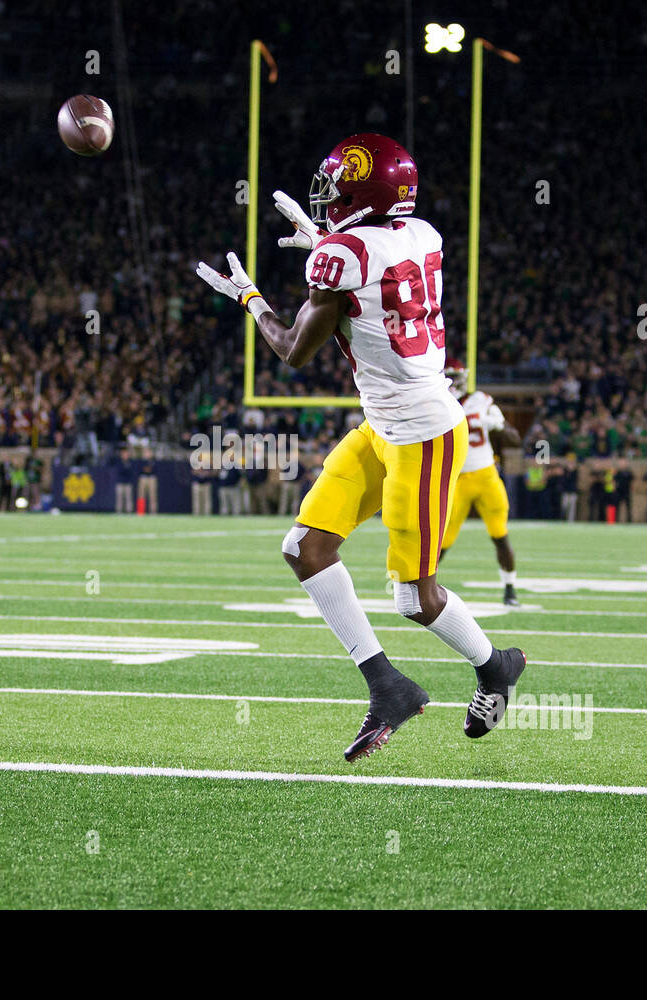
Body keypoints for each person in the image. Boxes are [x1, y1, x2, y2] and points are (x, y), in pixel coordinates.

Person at [196, 132, 524, 762]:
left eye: (337, 187)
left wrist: (249, 298)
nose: (326, 198)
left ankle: (496, 666)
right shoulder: (422, 233)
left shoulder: (342, 255)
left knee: (414, 598)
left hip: (425, 435)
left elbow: (293, 348)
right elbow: (373, 275)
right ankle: (387, 687)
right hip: (384, 426)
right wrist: (328, 244)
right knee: (305, 547)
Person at [436, 362, 522, 606]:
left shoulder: (482, 401)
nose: (454, 382)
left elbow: (514, 440)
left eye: (456, 377)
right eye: (449, 377)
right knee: (443, 540)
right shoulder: (438, 401)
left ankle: (510, 589)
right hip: (457, 478)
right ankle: (420, 587)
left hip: (486, 475)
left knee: (500, 534)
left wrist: (498, 424)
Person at [114, 446, 137, 513]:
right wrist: (125, 469)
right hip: (120, 482)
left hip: (128, 482)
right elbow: (120, 470)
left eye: (126, 454)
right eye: (124, 454)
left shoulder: (130, 462)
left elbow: (131, 471)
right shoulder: (119, 462)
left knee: (128, 498)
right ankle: (119, 511)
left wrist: (126, 470)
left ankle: (129, 511)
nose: (125, 455)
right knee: (119, 498)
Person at [615, 459, 634, 523]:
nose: (622, 464)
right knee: (617, 507)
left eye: (624, 463)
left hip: (627, 491)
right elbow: (614, 480)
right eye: (621, 463)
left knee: (628, 507)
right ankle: (616, 520)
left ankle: (629, 520)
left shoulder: (629, 472)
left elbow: (632, 480)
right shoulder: (617, 472)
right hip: (619, 491)